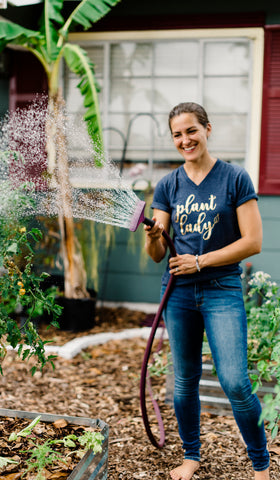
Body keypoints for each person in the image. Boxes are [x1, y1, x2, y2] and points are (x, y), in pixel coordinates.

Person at [144, 102, 270, 480]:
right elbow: (156, 255)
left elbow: (253, 242)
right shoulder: (168, 185)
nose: (185, 140)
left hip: (221, 289)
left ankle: (261, 465)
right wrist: (153, 237)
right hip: (179, 293)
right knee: (185, 382)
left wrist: (201, 261)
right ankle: (191, 456)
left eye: (191, 131)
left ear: (207, 129)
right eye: (177, 135)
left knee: (235, 381)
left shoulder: (234, 178)